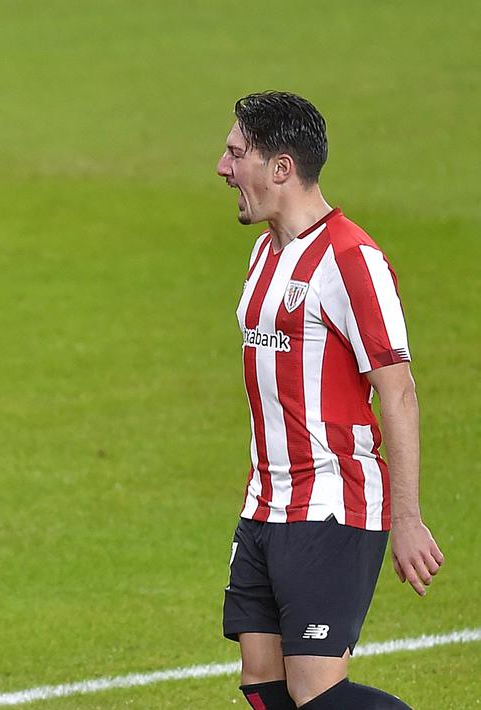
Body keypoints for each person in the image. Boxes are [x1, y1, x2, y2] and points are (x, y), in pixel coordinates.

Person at [215, 91, 445, 709]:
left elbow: (397, 391)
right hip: (266, 503)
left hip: (332, 504)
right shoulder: (264, 254)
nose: (222, 167)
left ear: (280, 168)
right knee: (263, 685)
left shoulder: (352, 259)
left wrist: (407, 518)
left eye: (237, 154)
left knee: (315, 692)